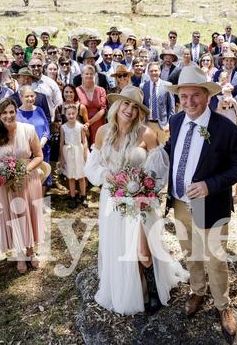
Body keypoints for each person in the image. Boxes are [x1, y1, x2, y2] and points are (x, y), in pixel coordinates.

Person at [84, 85, 189, 315]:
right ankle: (135, 291)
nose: (129, 110)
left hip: (140, 200)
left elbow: (160, 170)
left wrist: (146, 191)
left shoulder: (147, 134)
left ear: (140, 112)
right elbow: (92, 166)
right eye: (126, 103)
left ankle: (154, 290)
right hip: (112, 199)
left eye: (135, 106)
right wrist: (105, 175)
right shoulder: (102, 132)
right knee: (121, 249)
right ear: (117, 105)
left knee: (143, 251)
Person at [164, 66, 237, 338]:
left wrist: (209, 185)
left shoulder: (225, 128)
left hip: (210, 206)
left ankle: (223, 305)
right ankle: (197, 290)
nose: (188, 102)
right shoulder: (176, 121)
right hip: (179, 203)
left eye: (195, 96)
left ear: (208, 96)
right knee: (190, 250)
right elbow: (171, 152)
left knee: (215, 257)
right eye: (183, 96)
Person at [0, 98, 45, 274]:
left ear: (16, 112)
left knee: (28, 214)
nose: (9, 115)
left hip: (27, 179)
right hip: (5, 184)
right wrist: (0, 174)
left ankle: (31, 251)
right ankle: (19, 254)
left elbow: (38, 156)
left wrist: (25, 170)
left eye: (12, 112)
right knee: (13, 217)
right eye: (5, 113)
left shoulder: (28, 130)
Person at [16, 86, 51, 192]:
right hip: (28, 153)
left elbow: (46, 129)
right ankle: (31, 204)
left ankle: (42, 203)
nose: (30, 98)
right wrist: (33, 149)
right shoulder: (17, 114)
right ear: (20, 97)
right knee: (31, 179)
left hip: (43, 149)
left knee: (44, 177)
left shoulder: (39, 110)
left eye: (32, 96)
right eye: (27, 96)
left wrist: (40, 145)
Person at [59, 104, 88, 208]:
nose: (71, 115)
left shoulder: (80, 126)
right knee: (70, 176)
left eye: (73, 113)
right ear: (65, 114)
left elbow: (84, 141)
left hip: (79, 151)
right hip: (68, 152)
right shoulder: (63, 127)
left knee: (81, 176)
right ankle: (72, 196)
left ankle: (83, 196)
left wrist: (85, 153)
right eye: (69, 114)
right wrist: (62, 157)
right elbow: (61, 142)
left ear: (76, 114)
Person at [142, 62, 175, 144]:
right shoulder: (143, 86)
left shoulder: (167, 85)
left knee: (163, 150)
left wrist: (169, 124)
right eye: (151, 71)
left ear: (160, 71)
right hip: (148, 124)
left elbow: (171, 108)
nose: (153, 73)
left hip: (163, 125)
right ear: (148, 72)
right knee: (149, 150)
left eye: (155, 70)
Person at [77, 65, 108, 143]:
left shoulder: (101, 90)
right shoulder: (76, 91)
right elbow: (77, 109)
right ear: (82, 75)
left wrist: (89, 122)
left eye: (91, 74)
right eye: (86, 73)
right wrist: (86, 123)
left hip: (98, 123)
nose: (89, 76)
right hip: (83, 124)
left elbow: (103, 109)